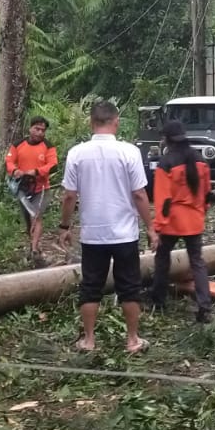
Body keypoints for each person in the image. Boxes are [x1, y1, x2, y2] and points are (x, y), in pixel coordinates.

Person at [58, 101, 153, 353]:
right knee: (129, 286)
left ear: (91, 123)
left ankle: (89, 340)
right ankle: (132, 340)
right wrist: (151, 229)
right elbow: (140, 195)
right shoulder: (129, 152)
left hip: (92, 234)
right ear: (116, 121)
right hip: (124, 234)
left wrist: (65, 226)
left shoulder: (77, 153)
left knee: (90, 286)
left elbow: (69, 195)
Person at [147, 120, 213, 323]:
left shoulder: (166, 162)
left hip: (173, 221)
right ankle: (205, 307)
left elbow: (163, 200)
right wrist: (202, 211)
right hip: (194, 219)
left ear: (166, 139)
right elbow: (207, 192)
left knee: (162, 259)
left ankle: (159, 300)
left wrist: (157, 228)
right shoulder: (199, 159)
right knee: (197, 262)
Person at [6, 116, 58, 262]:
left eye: (43, 130)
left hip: (41, 189)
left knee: (35, 216)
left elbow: (53, 165)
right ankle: (35, 247)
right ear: (30, 128)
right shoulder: (18, 144)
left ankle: (34, 250)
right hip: (23, 189)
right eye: (37, 129)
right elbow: (9, 161)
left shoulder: (48, 146)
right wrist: (15, 170)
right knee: (29, 220)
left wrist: (36, 171)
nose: (40, 133)